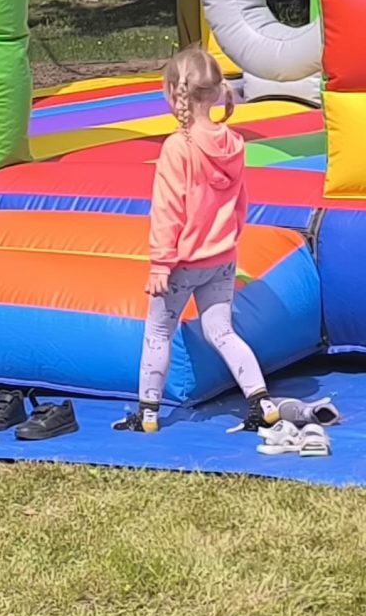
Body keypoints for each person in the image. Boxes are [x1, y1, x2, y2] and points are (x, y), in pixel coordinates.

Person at [117, 47, 280, 437]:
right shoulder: (233, 143)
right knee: (222, 332)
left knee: (158, 332)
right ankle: (262, 401)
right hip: (221, 258)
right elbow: (240, 202)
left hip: (184, 262)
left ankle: (148, 412)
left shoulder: (179, 147)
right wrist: (230, 238)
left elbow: (168, 209)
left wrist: (161, 263)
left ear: (175, 92)